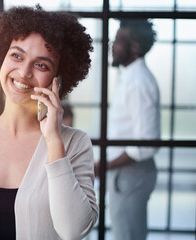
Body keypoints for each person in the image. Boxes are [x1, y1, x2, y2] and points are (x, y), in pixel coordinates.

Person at [0, 5, 98, 240]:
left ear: (57, 79)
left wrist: (53, 139)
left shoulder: (74, 143)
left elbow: (74, 230)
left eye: (41, 64)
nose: (24, 72)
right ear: (1, 57)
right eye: (16, 55)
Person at [94, 19, 160, 240]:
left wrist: (104, 165)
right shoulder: (129, 76)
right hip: (124, 173)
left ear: (135, 48)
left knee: (128, 236)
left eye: (119, 41)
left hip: (131, 174)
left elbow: (145, 144)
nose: (112, 45)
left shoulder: (138, 81)